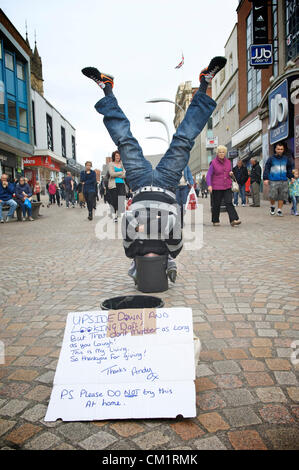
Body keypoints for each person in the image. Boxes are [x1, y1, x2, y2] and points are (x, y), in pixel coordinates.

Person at [81, 56, 227, 282]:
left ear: (138, 265)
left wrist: (143, 229)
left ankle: (106, 88)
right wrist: (158, 232)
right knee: (184, 139)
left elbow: (128, 219)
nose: (150, 255)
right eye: (154, 257)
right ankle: (205, 83)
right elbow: (174, 228)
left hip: (139, 183)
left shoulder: (132, 251)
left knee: (124, 140)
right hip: (167, 183)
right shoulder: (172, 250)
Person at [206, 145, 241, 227]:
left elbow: (229, 171)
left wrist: (231, 173)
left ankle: (233, 220)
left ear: (225, 153)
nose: (221, 153)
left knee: (229, 202)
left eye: (223, 152)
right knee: (216, 204)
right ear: (217, 153)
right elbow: (209, 175)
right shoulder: (213, 163)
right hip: (217, 187)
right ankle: (215, 220)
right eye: (220, 152)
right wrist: (209, 185)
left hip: (227, 186)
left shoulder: (228, 162)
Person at [263, 141, 294, 216]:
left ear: (283, 150)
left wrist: (291, 177)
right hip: (273, 180)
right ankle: (273, 206)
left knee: (282, 196)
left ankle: (279, 210)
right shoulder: (271, 159)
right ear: (275, 150)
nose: (280, 150)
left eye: (281, 149)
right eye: (278, 149)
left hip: (284, 180)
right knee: (272, 196)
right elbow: (267, 168)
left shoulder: (286, 159)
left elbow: (289, 169)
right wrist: (265, 178)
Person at [108, 151, 126, 222]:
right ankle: (115, 215)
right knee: (115, 200)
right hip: (113, 185)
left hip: (121, 184)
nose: (118, 157)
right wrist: (121, 173)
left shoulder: (122, 164)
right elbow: (111, 174)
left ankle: (118, 212)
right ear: (114, 157)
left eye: (119, 156)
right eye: (116, 156)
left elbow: (125, 174)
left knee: (121, 199)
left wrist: (117, 173)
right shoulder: (111, 164)